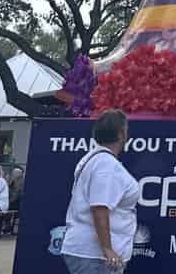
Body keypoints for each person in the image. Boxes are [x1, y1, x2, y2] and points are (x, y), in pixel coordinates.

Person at [59, 110, 138, 273]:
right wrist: (107, 249)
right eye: (126, 129)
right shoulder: (106, 164)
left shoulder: (96, 159)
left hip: (92, 254)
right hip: (95, 256)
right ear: (121, 134)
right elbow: (99, 207)